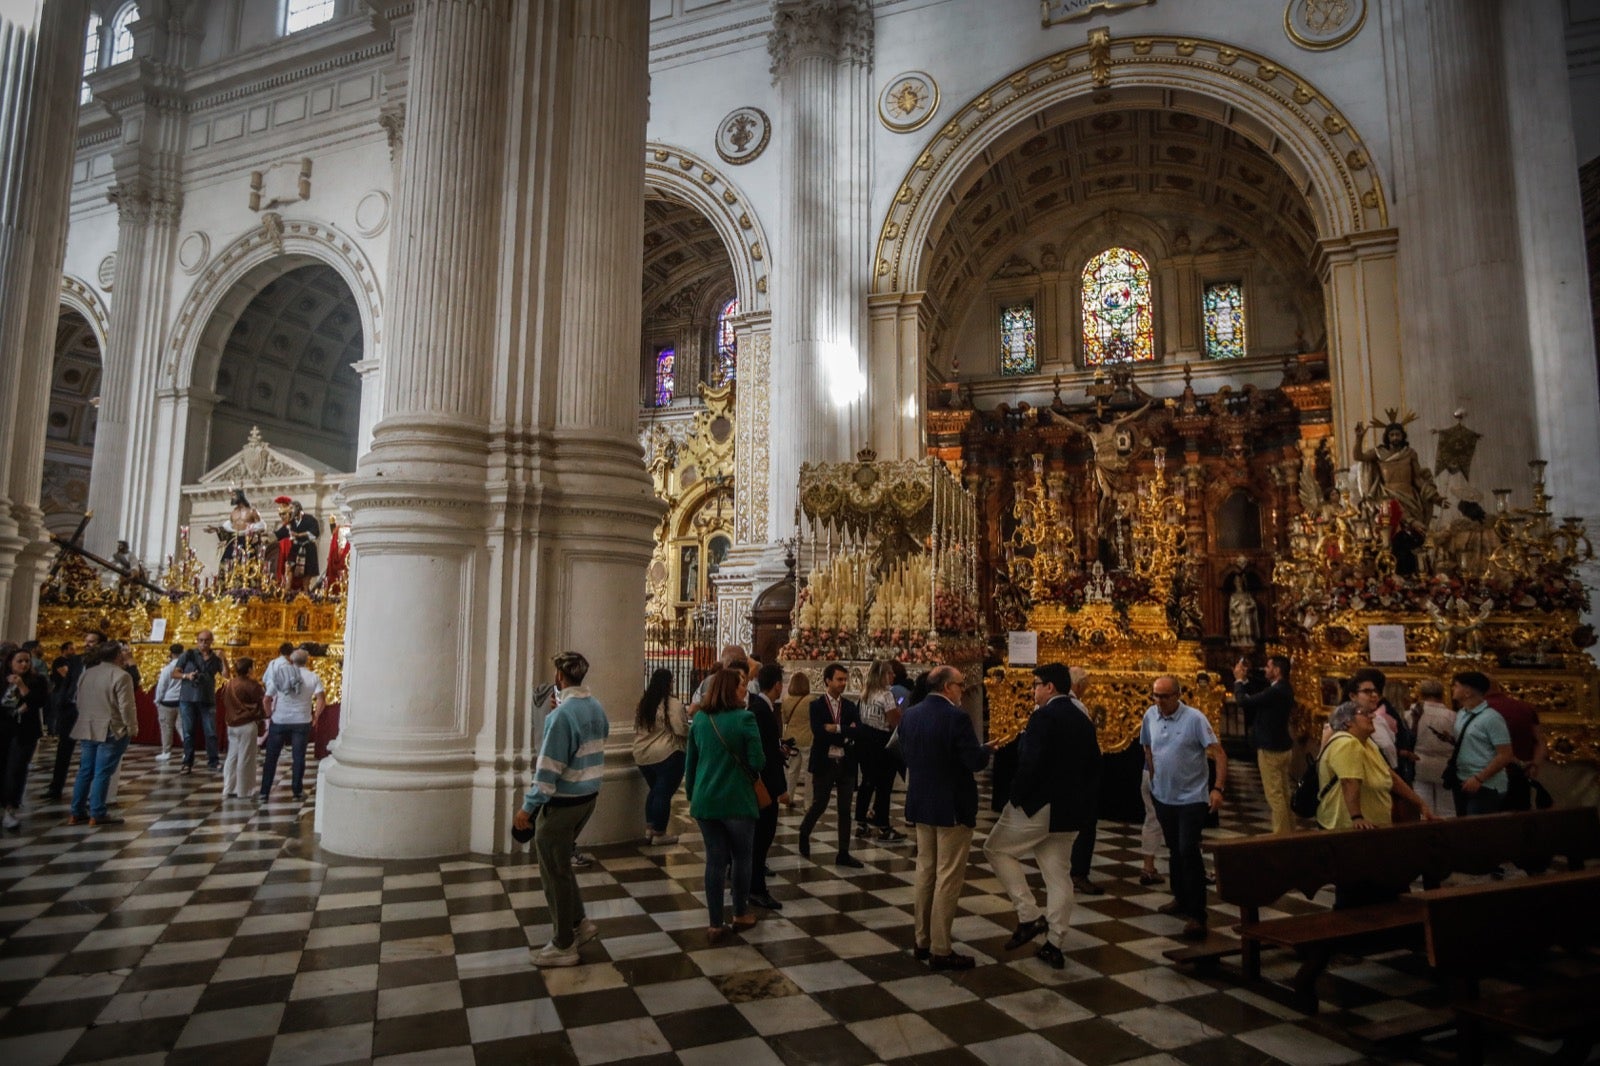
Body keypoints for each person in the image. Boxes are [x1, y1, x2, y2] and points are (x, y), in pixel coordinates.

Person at [986, 662, 1100, 968]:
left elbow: (1029, 763)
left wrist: (1015, 798)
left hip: (1039, 806)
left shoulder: (1044, 716)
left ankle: (1029, 915)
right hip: (1071, 811)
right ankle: (1055, 943)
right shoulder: (1082, 717)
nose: (1033, 690)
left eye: (1036, 684)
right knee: (1058, 875)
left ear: (1050, 687)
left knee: (995, 848)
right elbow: (1093, 766)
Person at [515, 651, 609, 967]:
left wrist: (527, 810)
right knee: (562, 864)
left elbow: (548, 771)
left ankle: (563, 944)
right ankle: (580, 923)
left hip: (564, 801)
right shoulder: (595, 707)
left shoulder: (561, 716)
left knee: (553, 871)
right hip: (588, 796)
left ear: (559, 677)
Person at [898, 663, 988, 970]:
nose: (962, 690)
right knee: (948, 877)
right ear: (947, 687)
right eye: (960, 685)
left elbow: (907, 754)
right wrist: (986, 751)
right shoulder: (956, 717)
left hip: (922, 803)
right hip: (952, 807)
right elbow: (973, 761)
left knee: (926, 872)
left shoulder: (910, 714)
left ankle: (922, 940)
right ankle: (941, 948)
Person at [1140, 675, 1227, 940]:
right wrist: (1154, 776)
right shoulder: (1150, 716)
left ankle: (1198, 914)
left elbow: (1219, 753)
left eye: (1164, 696)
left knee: (1189, 851)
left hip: (1192, 798)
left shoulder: (1195, 719)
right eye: (1155, 695)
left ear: (1178, 695)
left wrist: (1218, 788)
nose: (1159, 701)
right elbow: (1147, 746)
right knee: (1175, 850)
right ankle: (1179, 897)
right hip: (1163, 796)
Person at [684, 668, 765, 942]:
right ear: (730, 689)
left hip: (706, 800)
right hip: (737, 800)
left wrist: (691, 794)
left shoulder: (701, 719)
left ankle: (715, 923)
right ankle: (740, 912)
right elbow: (757, 762)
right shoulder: (745, 719)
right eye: (741, 685)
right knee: (742, 858)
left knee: (714, 861)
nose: (745, 689)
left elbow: (691, 763)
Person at [1317, 674, 1436, 833]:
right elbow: (1349, 781)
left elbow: (1389, 775)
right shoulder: (1346, 743)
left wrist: (1420, 804)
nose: (1372, 716)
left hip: (1373, 824)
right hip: (1348, 827)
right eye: (1363, 714)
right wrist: (1357, 817)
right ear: (1348, 722)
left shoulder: (1367, 742)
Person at [798, 662, 864, 868]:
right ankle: (804, 831)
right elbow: (819, 733)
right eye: (839, 679)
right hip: (824, 761)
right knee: (820, 803)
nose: (843, 684)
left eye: (845, 680)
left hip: (846, 762)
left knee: (845, 808)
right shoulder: (816, 706)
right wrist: (844, 734)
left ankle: (843, 852)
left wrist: (835, 728)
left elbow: (858, 731)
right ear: (828, 681)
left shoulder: (851, 706)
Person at [67, 642, 134, 827]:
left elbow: (79, 700)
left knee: (85, 771)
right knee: (102, 772)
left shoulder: (87, 673)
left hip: (88, 725)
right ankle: (97, 812)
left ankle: (76, 811)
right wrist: (132, 727)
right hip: (111, 728)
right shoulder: (121, 675)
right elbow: (126, 707)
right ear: (117, 656)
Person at [1233, 654, 1295, 834]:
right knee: (1284, 793)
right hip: (1281, 746)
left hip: (1271, 749)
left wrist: (1238, 681)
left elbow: (1244, 702)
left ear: (1276, 670)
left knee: (1275, 795)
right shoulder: (1283, 688)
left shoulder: (1276, 691)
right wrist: (1245, 680)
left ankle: (1281, 835)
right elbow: (1258, 692)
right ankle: (1290, 831)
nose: (1265, 670)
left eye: (1268, 667)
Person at [747, 662, 789, 911]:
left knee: (760, 839)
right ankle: (756, 889)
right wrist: (781, 789)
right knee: (762, 837)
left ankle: (754, 885)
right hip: (766, 785)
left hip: (764, 781)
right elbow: (767, 757)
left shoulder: (760, 707)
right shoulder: (762, 711)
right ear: (777, 685)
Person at [260, 648, 325, 802]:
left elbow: (266, 699)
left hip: (280, 719)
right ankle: (297, 791)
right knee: (299, 757)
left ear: (291, 660)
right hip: (301, 720)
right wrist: (316, 716)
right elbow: (321, 699)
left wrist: (269, 715)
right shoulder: (313, 677)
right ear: (307, 660)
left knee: (271, 757)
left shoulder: (281, 674)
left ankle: (264, 792)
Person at [632, 667, 687, 845]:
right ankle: (659, 832)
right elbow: (680, 729)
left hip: (642, 754)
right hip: (666, 754)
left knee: (655, 791)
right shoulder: (673, 704)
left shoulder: (644, 703)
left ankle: (649, 828)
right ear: (669, 683)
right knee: (663, 794)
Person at [44, 630, 101, 802]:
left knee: (89, 752)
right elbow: (68, 681)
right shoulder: (76, 660)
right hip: (70, 707)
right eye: (86, 641)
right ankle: (55, 787)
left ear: (100, 644)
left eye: (92, 641)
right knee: (63, 749)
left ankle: (89, 792)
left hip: (91, 710)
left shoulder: (102, 663)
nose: (87, 644)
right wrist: (62, 702)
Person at [853, 659, 906, 845]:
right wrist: (899, 712)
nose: (893, 676)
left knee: (867, 782)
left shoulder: (865, 694)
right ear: (882, 675)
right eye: (890, 673)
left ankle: (861, 822)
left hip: (866, 741)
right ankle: (883, 825)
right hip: (883, 744)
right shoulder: (886, 696)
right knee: (884, 786)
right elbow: (894, 723)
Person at [1065, 666, 1106, 896]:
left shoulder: (1056, 703)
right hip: (1079, 775)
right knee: (1086, 825)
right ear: (1079, 686)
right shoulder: (1077, 706)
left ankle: (1068, 870)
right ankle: (1079, 873)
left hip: (1068, 774)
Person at [1450, 671, 1514, 816]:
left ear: (1467, 692)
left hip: (1486, 784)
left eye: (1456, 686)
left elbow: (1505, 754)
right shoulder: (1462, 713)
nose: (1453, 689)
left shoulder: (1492, 718)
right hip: (1463, 779)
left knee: (1478, 830)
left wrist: (1480, 778)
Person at [1, 645, 49, 829]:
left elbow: (38, 702)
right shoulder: (2, 680)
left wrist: (21, 685)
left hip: (25, 731)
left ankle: (10, 808)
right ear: (10, 663)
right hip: (4, 728)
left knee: (16, 768)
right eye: (19, 661)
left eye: (26, 661)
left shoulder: (37, 681)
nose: (23, 664)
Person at [1484, 682, 1547, 811]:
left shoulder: (1480, 710)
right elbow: (1540, 742)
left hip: (1489, 777)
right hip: (1521, 775)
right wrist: (1534, 764)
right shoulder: (1525, 707)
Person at [175, 631, 225, 774]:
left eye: (206, 640)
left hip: (207, 698)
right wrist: (187, 675)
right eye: (201, 640)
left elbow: (226, 675)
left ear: (211, 642)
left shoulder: (215, 659)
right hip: (188, 698)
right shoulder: (188, 655)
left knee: (211, 732)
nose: (203, 643)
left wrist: (224, 660)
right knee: (188, 732)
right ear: (197, 641)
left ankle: (213, 761)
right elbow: (175, 673)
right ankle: (187, 762)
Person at [1407, 679, 1458, 817]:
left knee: (1423, 805)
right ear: (1443, 694)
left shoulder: (1411, 713)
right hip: (1445, 765)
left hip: (1419, 762)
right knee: (1447, 808)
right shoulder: (1452, 716)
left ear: (1420, 694)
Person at [220, 657, 266, 800]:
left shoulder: (229, 684)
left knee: (232, 757)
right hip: (246, 723)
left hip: (232, 724)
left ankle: (229, 787)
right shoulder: (252, 685)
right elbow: (261, 701)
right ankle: (245, 790)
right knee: (246, 757)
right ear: (249, 669)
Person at [779, 672, 812, 810]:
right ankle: (808, 803)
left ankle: (789, 798)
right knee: (809, 773)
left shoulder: (786, 699)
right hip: (807, 738)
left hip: (791, 739)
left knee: (792, 771)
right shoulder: (811, 699)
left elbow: (785, 720)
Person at [153, 642, 186, 762]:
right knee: (183, 727)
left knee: (166, 727)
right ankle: (187, 751)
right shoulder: (185, 667)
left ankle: (166, 751)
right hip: (182, 700)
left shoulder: (168, 669)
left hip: (167, 700)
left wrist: (158, 699)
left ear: (171, 654)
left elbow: (162, 685)